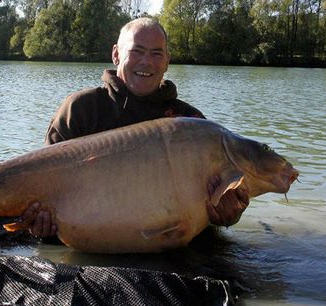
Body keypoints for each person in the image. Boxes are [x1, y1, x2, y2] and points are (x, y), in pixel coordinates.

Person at [23, 17, 249, 239]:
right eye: (137, 51)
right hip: (92, 243)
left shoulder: (191, 122)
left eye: (156, 53)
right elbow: (43, 186)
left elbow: (219, 200)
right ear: (116, 54)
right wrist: (38, 222)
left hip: (172, 248)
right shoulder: (80, 109)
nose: (146, 62)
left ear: (167, 61)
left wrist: (229, 214)